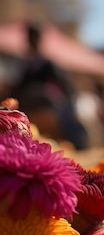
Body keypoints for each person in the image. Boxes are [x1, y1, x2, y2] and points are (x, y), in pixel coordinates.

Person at [11, 21, 88, 149]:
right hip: (29, 108)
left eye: (33, 37)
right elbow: (17, 90)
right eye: (30, 37)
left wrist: (68, 102)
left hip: (49, 105)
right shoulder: (25, 66)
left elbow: (65, 86)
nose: (31, 41)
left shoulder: (46, 64)